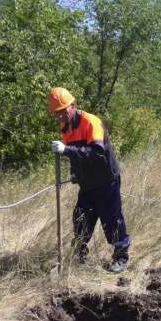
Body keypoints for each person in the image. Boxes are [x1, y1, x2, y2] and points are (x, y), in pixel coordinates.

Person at [47, 87, 130, 273]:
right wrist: (75, 172)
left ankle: (121, 257)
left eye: (63, 111)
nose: (60, 116)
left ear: (73, 106)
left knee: (112, 220)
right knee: (80, 219)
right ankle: (80, 255)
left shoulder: (91, 122)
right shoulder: (65, 127)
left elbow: (97, 153)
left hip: (106, 181)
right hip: (87, 185)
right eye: (56, 114)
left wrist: (65, 150)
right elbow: (77, 155)